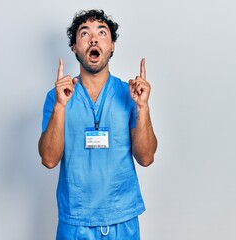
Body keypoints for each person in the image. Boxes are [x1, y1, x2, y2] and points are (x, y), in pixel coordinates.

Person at [38, 9, 157, 239]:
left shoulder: (128, 94)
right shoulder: (57, 97)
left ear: (112, 45)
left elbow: (146, 157)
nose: (93, 38)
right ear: (74, 47)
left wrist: (142, 107)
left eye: (102, 32)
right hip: (75, 223)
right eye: (85, 33)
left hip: (122, 220)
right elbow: (49, 159)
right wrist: (61, 107)